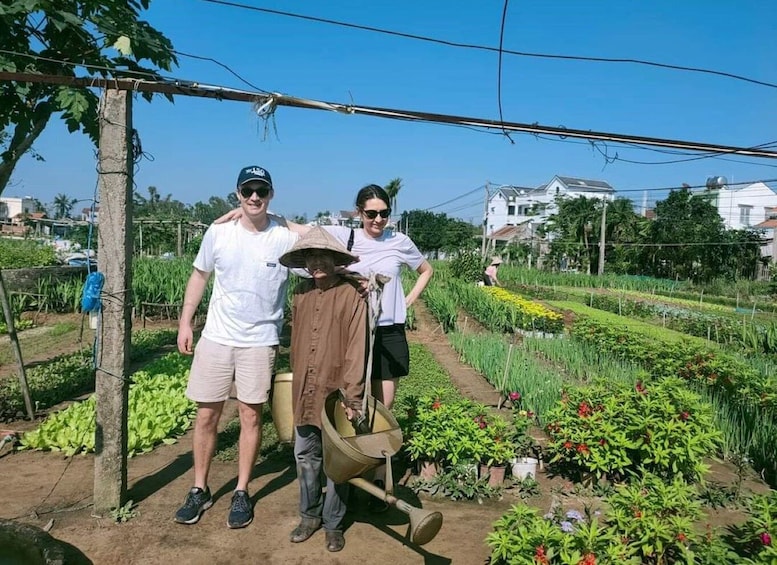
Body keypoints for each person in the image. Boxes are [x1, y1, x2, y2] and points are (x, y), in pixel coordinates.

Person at [174, 165, 298, 529]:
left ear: (271, 195)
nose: (255, 197)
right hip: (216, 337)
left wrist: (284, 221)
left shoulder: (283, 237)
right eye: (248, 191)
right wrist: (186, 321)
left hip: (260, 342)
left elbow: (321, 237)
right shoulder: (218, 232)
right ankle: (199, 488)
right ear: (238, 194)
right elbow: (200, 275)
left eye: (261, 190)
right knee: (207, 414)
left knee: (250, 415)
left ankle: (242, 490)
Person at [279, 226, 368, 553]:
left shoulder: (352, 295)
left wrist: (352, 394)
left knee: (336, 460)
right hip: (305, 388)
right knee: (305, 454)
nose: (316, 262)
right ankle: (309, 515)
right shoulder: (300, 294)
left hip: (336, 392)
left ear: (335, 259)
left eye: (323, 256)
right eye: (310, 257)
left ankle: (333, 523)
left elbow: (357, 348)